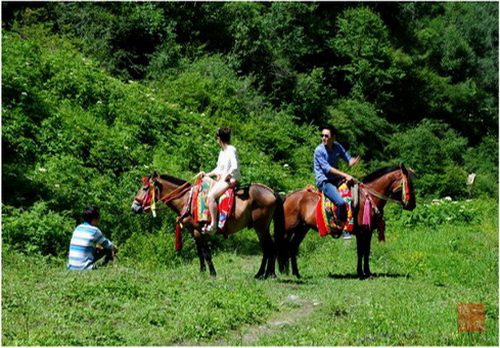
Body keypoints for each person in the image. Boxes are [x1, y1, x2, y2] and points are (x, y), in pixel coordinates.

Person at [314, 125, 360, 239]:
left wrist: (352, 161)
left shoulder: (337, 146)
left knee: (353, 196)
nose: (324, 138)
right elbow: (327, 169)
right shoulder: (319, 150)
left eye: (326, 136)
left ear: (333, 137)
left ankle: (355, 225)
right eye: (322, 136)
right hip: (325, 182)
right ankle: (342, 229)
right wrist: (346, 175)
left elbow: (347, 158)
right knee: (340, 202)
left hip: (336, 180)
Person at [200, 127, 241, 234]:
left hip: (230, 180)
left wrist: (227, 176)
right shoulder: (222, 152)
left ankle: (213, 225)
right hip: (223, 179)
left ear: (220, 139)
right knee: (204, 184)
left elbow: (235, 166)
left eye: (217, 137)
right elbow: (218, 169)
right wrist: (206, 174)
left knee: (211, 196)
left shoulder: (231, 149)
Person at [67, 205, 118, 270]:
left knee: (96, 248)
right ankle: (106, 263)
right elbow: (107, 244)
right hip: (84, 268)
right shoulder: (94, 230)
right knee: (108, 249)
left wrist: (96, 247)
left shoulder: (78, 228)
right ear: (94, 219)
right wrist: (115, 248)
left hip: (71, 267)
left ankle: (104, 263)